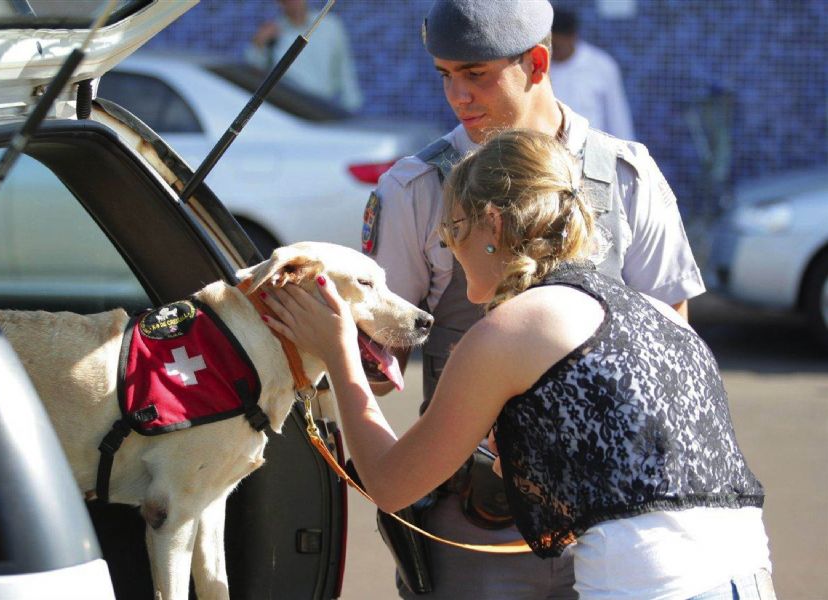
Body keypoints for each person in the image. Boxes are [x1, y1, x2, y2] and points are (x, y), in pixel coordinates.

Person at [262, 129, 775, 600]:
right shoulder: (656, 312)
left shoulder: (514, 327)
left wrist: (339, 352)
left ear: (493, 224)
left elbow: (392, 483)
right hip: (747, 573)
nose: (448, 247)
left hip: (648, 584)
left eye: (452, 228)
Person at [358, 0, 706, 597]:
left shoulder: (625, 176)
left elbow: (672, 338)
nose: (457, 96)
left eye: (477, 75)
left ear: (538, 63)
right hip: (476, 522)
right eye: (445, 75)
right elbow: (378, 355)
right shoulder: (416, 189)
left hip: (612, 515)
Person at [244, 0, 363, 112]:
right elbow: (255, 74)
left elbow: (344, 68)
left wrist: (352, 106)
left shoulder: (330, 26)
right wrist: (258, 44)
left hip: (323, 106)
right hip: (289, 108)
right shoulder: (273, 32)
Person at [549, 8, 635, 140]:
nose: (554, 51)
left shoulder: (601, 66)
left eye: (557, 46)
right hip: (549, 152)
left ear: (573, 37)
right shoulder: (537, 65)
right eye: (550, 46)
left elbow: (617, 118)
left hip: (591, 153)